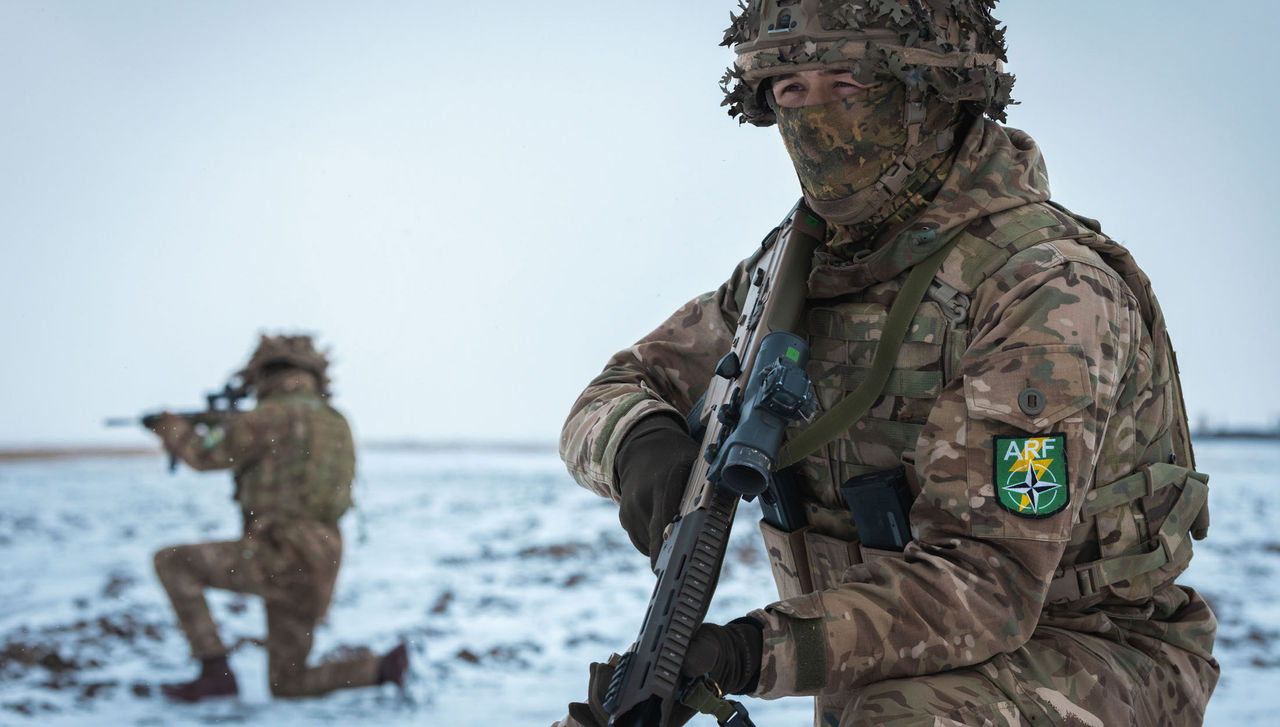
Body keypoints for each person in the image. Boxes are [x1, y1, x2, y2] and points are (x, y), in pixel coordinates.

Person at [557, 2, 1218, 725]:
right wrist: (636, 441)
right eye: (791, 90)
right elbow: (613, 390)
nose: (818, 116)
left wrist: (749, 650)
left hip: (1094, 657)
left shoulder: (1042, 287)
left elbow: (986, 584)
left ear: (931, 92)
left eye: (849, 84)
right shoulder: (792, 272)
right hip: (889, 668)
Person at [148, 334, 408, 701]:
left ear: (267, 372)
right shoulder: (336, 421)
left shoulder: (271, 416)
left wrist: (172, 429)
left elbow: (207, 456)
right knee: (289, 683)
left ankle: (213, 671)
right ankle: (381, 669)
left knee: (172, 562)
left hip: (278, 554)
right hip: (321, 561)